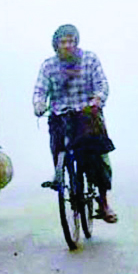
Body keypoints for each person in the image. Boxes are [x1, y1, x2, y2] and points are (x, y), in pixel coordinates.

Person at [33, 24, 118, 223]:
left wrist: (98, 99)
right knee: (57, 147)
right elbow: (40, 90)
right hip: (60, 115)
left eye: (71, 41)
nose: (68, 45)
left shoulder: (89, 59)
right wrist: (38, 104)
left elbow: (102, 84)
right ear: (56, 45)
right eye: (63, 42)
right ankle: (61, 177)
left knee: (96, 157)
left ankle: (103, 202)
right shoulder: (48, 66)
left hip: (86, 114)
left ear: (76, 42)